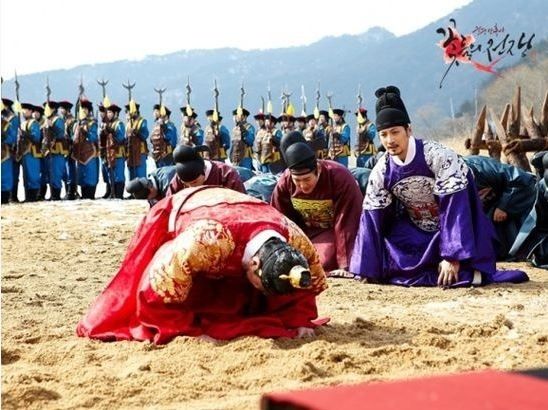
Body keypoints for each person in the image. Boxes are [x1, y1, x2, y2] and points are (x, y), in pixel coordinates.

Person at [76, 186, 328, 343]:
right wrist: (187, 331)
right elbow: (159, 283)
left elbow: (308, 285)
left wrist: (300, 320)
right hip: (187, 209)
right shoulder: (207, 240)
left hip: (245, 212)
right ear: (253, 264)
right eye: (261, 285)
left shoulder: (297, 242)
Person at [350, 86, 529, 287]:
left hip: (454, 229)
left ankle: (465, 268)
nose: (390, 140)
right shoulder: (382, 169)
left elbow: (457, 208)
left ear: (409, 130)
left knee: (456, 270)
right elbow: (372, 218)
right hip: (416, 230)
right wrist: (367, 267)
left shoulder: (439, 156)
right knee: (387, 259)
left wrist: (452, 256)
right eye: (383, 135)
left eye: (395, 132)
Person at [271, 133, 363, 276]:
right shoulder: (285, 181)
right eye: (297, 180)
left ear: (317, 170)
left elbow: (348, 221)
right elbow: (280, 219)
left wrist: (346, 264)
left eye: (307, 179)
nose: (302, 186)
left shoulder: (339, 177)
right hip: (307, 234)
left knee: (322, 260)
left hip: (336, 231)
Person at [464, 155, 537, 261]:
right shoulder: (457, 174)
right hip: (496, 200)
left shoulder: (482, 169)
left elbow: (522, 180)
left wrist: (503, 207)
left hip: (521, 194)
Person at [165, 145, 246, 195]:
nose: (191, 188)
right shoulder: (178, 179)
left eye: (194, 182)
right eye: (186, 185)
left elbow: (242, 205)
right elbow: (168, 205)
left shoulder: (226, 174)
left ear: (203, 170)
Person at [72, 99, 99, 199]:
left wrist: (86, 132)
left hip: (89, 154)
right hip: (79, 154)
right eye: (82, 109)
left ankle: (90, 195)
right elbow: (74, 138)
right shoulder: (76, 124)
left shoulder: (92, 123)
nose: (83, 111)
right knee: (81, 177)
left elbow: (93, 137)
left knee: (90, 176)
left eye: (85, 109)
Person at [42, 101, 67, 200]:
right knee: (49, 174)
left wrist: (52, 127)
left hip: (57, 150)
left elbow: (60, 134)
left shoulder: (58, 120)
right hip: (48, 150)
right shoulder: (46, 120)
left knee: (56, 174)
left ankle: (56, 195)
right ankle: (52, 193)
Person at [17, 103, 42, 202]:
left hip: (32, 152)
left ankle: (33, 196)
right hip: (24, 152)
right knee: (26, 176)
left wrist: (25, 134)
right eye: (23, 110)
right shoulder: (22, 123)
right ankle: (28, 196)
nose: (24, 112)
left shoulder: (34, 123)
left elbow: (36, 137)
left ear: (31, 111)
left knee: (33, 175)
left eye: (26, 110)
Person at [102, 104, 126, 199]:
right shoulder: (108, 124)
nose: (108, 114)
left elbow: (120, 138)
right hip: (109, 153)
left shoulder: (119, 124)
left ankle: (119, 194)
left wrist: (112, 131)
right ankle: (112, 193)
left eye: (110, 112)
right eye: (107, 112)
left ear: (115, 113)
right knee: (111, 174)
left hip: (118, 153)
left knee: (118, 174)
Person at [58, 101, 78, 200]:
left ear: (67, 110)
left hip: (70, 148)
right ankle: (67, 191)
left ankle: (71, 192)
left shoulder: (73, 121)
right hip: (64, 149)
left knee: (70, 170)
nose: (61, 111)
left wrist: (68, 139)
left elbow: (75, 136)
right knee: (65, 171)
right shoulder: (63, 120)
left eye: (62, 109)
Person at [125, 101, 149, 179]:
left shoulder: (142, 121)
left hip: (140, 152)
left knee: (140, 175)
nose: (128, 114)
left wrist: (136, 132)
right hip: (130, 153)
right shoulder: (128, 124)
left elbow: (145, 135)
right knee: (132, 175)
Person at [1, 98, 19, 204]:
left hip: (6, 151)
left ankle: (9, 197)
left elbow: (13, 137)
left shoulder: (11, 119)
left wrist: (4, 137)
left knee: (7, 175)